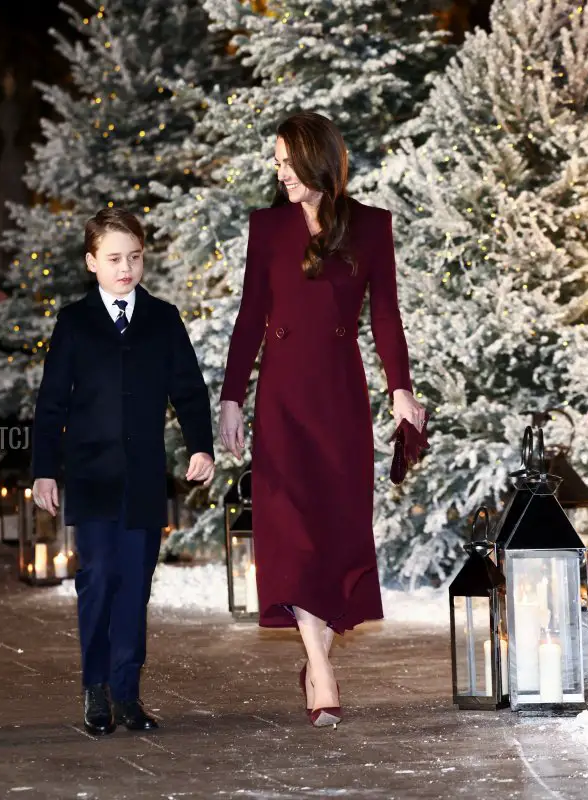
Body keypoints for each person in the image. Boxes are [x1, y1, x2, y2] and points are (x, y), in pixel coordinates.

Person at [218, 112, 427, 728]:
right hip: (281, 400)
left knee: (335, 533)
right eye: (276, 161)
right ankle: (324, 672)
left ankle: (315, 660)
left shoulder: (370, 226)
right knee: (294, 533)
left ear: (316, 161)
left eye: (287, 161)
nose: (278, 171)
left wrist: (400, 390)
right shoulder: (268, 227)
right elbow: (250, 315)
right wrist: (232, 398)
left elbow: (385, 316)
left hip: (338, 397)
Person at [31, 208, 214, 736]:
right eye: (114, 259)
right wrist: (45, 470)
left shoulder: (163, 319)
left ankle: (127, 692)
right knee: (98, 579)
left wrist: (199, 446)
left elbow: (188, 390)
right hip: (90, 476)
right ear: (92, 263)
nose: (126, 268)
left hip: (142, 478)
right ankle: (95, 688)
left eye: (134, 257)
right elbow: (51, 405)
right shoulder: (75, 322)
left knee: (135, 584)